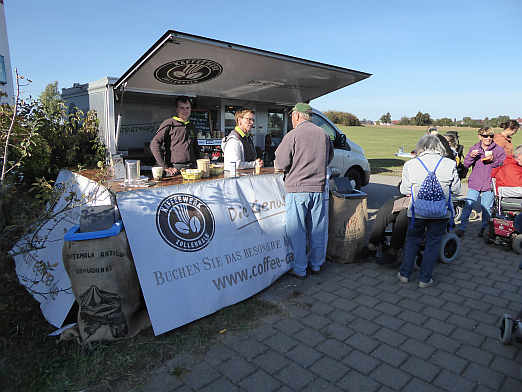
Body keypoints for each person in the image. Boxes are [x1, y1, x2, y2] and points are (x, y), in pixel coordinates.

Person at [275, 103, 333, 279]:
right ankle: (316, 264)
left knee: (297, 230)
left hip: (298, 189)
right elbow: (329, 158)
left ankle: (300, 268)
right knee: (318, 229)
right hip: (319, 189)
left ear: (298, 116)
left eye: (292, 116)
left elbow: (281, 163)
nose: (291, 119)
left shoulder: (293, 135)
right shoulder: (323, 134)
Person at [398, 135, 461, 288]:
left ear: (421, 147)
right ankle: (425, 279)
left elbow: (404, 189)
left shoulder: (410, 164)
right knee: (433, 244)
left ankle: (405, 274)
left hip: (417, 212)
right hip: (440, 212)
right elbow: (457, 190)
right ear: (439, 147)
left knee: (412, 240)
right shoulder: (450, 164)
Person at [456, 127, 505, 237]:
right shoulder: (475, 148)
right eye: (485, 136)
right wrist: (471, 156)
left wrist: (493, 161)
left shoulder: (498, 150)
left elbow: (503, 165)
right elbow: (466, 165)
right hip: (475, 182)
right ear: (480, 136)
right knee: (468, 206)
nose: (488, 138)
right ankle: (462, 228)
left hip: (490, 184)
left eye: (491, 136)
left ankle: (484, 229)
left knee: (486, 209)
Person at [150, 96, 199, 176]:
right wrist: (164, 166)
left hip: (192, 169)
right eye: (182, 108)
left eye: (187, 108)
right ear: (176, 109)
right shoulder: (169, 124)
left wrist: (201, 160)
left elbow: (195, 147)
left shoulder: (191, 126)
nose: (185, 111)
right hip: (175, 170)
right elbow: (154, 144)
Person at [368, 196, 409, 265]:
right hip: (407, 198)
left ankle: (394, 249)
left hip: (423, 201)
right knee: (384, 210)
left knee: (402, 218)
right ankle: (373, 244)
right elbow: (403, 188)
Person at [491, 145, 522, 232]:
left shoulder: (504, 162)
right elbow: (517, 184)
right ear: (519, 156)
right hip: (510, 197)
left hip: (504, 196)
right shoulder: (511, 167)